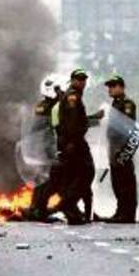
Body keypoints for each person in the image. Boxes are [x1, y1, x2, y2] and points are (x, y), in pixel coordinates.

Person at [56, 69, 103, 225]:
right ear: (72, 80)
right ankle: (69, 206)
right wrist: (72, 142)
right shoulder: (73, 97)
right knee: (86, 173)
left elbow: (78, 120)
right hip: (74, 142)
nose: (82, 82)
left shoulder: (72, 96)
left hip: (72, 141)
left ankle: (82, 213)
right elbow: (72, 122)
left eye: (84, 79)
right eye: (79, 79)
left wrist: (94, 117)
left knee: (78, 176)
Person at [23, 73, 64, 222]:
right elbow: (62, 122)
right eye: (58, 89)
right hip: (46, 148)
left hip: (39, 148)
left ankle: (35, 208)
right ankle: (39, 210)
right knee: (48, 180)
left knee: (41, 179)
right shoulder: (52, 107)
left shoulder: (42, 105)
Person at [101, 74, 139, 224]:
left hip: (122, 149)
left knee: (126, 182)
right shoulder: (115, 104)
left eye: (113, 86)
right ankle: (120, 212)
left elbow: (128, 127)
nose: (109, 89)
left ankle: (128, 214)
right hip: (114, 148)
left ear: (121, 87)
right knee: (117, 182)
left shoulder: (127, 104)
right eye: (109, 86)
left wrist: (121, 148)